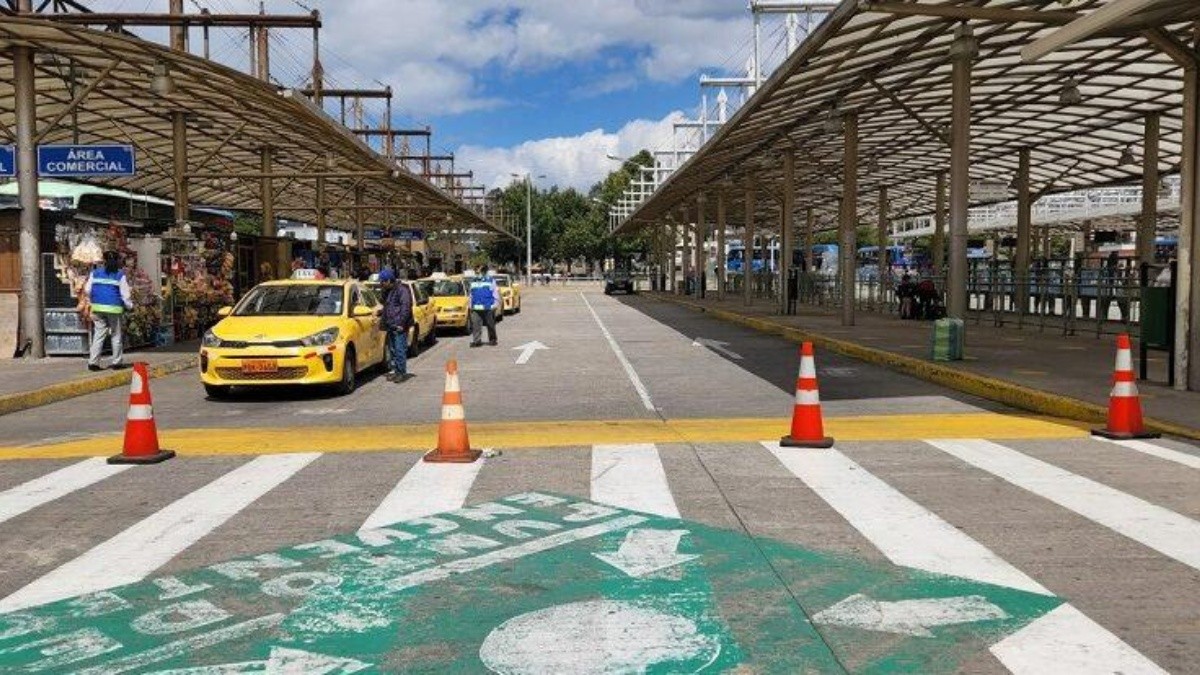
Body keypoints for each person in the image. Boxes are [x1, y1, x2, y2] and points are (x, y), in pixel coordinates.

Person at [83, 251, 134, 371]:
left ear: (104, 261)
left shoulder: (95, 273)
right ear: (117, 261)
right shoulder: (119, 275)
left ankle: (93, 362)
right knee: (116, 335)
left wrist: (95, 298)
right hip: (114, 309)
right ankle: (116, 362)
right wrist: (130, 306)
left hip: (98, 308)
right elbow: (125, 295)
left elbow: (87, 289)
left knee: (99, 335)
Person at [379, 269, 414, 382]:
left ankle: (401, 372)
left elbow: (406, 308)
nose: (381, 284)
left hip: (399, 325)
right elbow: (387, 306)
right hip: (391, 324)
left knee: (399, 350)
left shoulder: (402, 290)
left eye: (383, 281)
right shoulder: (388, 291)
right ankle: (396, 371)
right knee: (393, 350)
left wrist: (401, 323)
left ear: (389, 280)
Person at [468, 265, 499, 347]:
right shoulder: (473, 281)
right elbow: (471, 294)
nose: (477, 273)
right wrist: (470, 304)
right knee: (476, 325)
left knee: (490, 324)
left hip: (488, 306)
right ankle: (477, 341)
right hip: (476, 307)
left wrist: (496, 303)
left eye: (478, 272)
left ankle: (492, 339)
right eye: (476, 272)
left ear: (484, 272)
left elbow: (495, 292)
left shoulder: (490, 280)